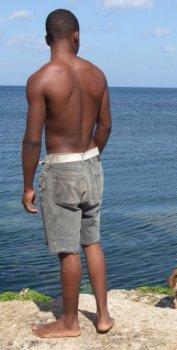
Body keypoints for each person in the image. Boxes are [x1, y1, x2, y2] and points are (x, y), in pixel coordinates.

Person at [21, 9, 113, 338]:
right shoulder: (96, 74)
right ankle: (103, 317)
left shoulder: (41, 79)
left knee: (68, 249)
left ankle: (70, 322)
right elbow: (105, 127)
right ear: (77, 36)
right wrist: (92, 157)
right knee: (92, 242)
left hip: (61, 169)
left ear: (47, 40)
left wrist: (28, 185)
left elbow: (33, 140)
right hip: (92, 163)